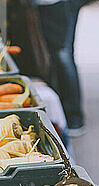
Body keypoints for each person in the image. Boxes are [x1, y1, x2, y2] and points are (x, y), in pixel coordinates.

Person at [35, 0, 86, 136]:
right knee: (54, 56)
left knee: (62, 55)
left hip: (56, 4)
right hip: (46, 4)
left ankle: (74, 118)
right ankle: (61, 115)